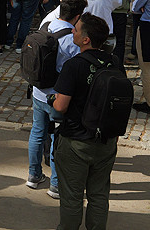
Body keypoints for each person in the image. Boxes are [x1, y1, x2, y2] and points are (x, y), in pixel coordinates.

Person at [48, 13, 123, 230]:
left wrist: (53, 99)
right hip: (106, 141)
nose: (73, 31)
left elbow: (61, 106)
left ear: (85, 39)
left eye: (77, 30)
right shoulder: (114, 63)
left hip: (75, 142)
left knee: (72, 196)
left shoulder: (74, 65)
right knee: (99, 194)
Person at [27, 0, 88, 200]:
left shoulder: (47, 25)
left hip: (38, 92)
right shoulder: (71, 39)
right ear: (77, 17)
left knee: (37, 132)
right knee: (56, 139)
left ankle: (33, 175)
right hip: (57, 96)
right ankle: (55, 185)